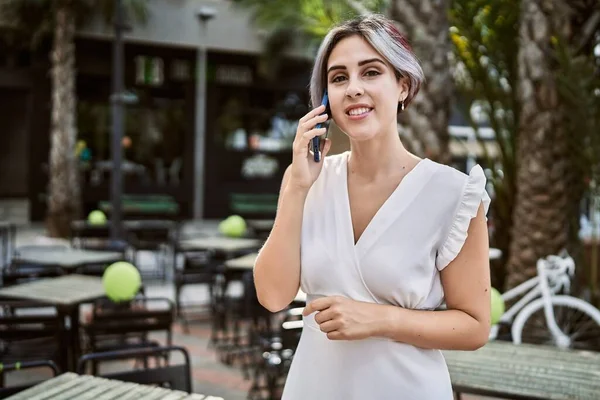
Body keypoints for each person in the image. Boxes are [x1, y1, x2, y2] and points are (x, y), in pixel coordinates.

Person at [253, 13, 491, 400]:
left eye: (371, 72)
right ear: (326, 98)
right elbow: (273, 296)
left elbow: (475, 327)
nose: (354, 89)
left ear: (402, 85)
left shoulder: (453, 194)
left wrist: (380, 318)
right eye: (339, 77)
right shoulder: (306, 181)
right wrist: (297, 186)